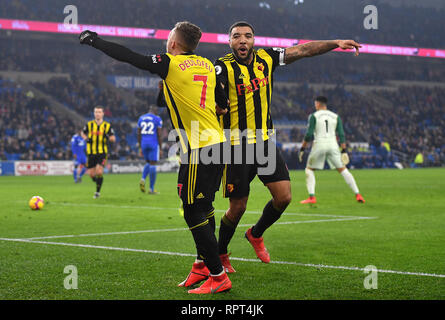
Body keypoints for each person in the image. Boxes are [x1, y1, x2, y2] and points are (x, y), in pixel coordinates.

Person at [79, 21, 231, 294]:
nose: (167, 40)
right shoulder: (207, 64)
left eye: (169, 36)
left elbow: (129, 56)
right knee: (205, 206)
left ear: (174, 42)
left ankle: (218, 276)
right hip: (217, 144)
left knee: (191, 209)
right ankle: (201, 266)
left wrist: (95, 41)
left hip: (199, 147)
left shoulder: (170, 63)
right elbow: (223, 104)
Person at [215, 21, 361, 272]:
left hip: (263, 144)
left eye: (247, 36)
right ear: (230, 41)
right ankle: (220, 255)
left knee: (284, 197)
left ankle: (256, 234)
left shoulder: (266, 58)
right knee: (237, 208)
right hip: (236, 147)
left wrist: (335, 43)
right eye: (236, 36)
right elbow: (208, 94)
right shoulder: (221, 66)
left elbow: (303, 50)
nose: (242, 40)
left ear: (254, 41)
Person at [298, 96, 365, 204]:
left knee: (309, 169)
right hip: (333, 145)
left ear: (318, 104)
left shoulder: (314, 116)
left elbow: (309, 134)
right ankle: (358, 194)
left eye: (315, 104)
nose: (315, 105)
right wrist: (343, 150)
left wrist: (302, 148)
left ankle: (311, 197)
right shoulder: (335, 116)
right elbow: (341, 134)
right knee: (343, 170)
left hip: (319, 144)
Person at [81, 106, 116, 199]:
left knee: (99, 171)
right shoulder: (89, 124)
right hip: (91, 153)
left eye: (99, 112)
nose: (97, 114)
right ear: (94, 113)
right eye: (96, 112)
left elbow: (113, 138)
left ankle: (97, 192)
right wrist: (86, 139)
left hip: (102, 153)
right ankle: (98, 181)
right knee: (92, 174)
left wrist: (107, 137)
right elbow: (83, 133)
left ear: (103, 113)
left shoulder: (107, 126)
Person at [138, 105, 162, 194]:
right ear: (155, 110)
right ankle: (151, 189)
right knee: (153, 164)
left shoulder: (141, 118)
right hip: (153, 143)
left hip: (144, 143)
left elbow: (138, 133)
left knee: (148, 162)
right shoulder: (157, 119)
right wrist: (161, 147)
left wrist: (140, 146)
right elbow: (159, 134)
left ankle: (143, 179)